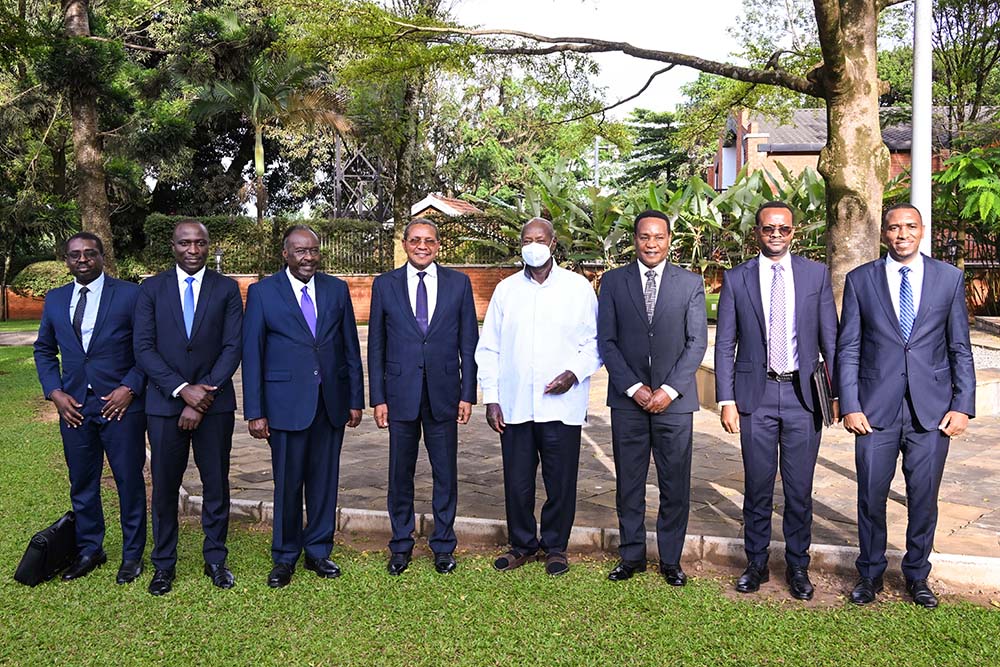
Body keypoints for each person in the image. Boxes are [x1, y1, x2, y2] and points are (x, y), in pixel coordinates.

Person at [837, 203, 975, 608]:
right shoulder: (861, 280)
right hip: (874, 412)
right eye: (894, 227)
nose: (902, 234)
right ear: (884, 233)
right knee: (870, 496)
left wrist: (963, 405)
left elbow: (960, 348)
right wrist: (850, 403)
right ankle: (870, 575)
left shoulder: (948, 279)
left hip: (930, 413)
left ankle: (917, 576)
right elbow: (849, 348)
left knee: (923, 497)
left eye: (909, 226)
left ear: (922, 230)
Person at [714, 201, 839, 600]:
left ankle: (798, 567)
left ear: (793, 232)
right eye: (769, 229)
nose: (776, 235)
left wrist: (837, 395)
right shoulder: (737, 279)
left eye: (783, 229)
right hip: (757, 396)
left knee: (800, 489)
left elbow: (830, 341)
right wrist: (726, 399)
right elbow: (724, 346)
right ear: (758, 232)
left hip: (804, 396)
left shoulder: (815, 275)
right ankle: (756, 563)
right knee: (758, 485)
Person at [475, 217, 602, 576]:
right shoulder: (506, 291)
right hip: (515, 405)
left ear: (553, 243)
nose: (533, 244)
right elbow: (490, 348)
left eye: (540, 239)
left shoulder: (578, 289)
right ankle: (521, 545)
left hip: (561, 405)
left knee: (560, 481)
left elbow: (594, 344)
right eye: (527, 239)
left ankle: (556, 547)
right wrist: (492, 398)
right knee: (517, 481)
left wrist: (573, 374)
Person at [243, 225, 364, 589]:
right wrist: (255, 410)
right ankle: (284, 556)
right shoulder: (263, 293)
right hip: (284, 406)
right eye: (299, 251)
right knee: (288, 483)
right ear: (285, 254)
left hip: (330, 403)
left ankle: (318, 551)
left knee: (325, 482)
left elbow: (349, 350)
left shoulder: (336, 289)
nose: (308, 257)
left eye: (313, 250)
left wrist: (355, 400)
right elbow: (252, 354)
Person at [597, 210, 707, 586]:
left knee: (674, 483)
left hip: (675, 404)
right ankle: (631, 557)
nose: (652, 244)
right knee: (629, 482)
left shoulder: (690, 283)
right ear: (635, 239)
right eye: (645, 237)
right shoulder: (612, 282)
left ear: (669, 240)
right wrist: (634, 388)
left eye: (659, 237)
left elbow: (697, 343)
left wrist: (668, 390)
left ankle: (671, 560)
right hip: (628, 402)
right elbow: (606, 342)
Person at [134, 220, 243, 596]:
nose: (193, 250)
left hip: (215, 406)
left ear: (209, 246)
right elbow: (143, 349)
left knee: (216, 485)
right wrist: (183, 391)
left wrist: (203, 395)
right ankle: (163, 564)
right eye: (185, 243)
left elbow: (233, 347)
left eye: (200, 243)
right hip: (164, 407)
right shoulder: (150, 289)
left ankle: (216, 559)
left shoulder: (227, 288)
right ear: (173, 246)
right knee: (165, 488)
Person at [33, 232, 147, 585]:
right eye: (74, 255)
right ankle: (90, 549)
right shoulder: (55, 300)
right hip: (75, 408)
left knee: (128, 480)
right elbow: (44, 351)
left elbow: (147, 348)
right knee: (82, 482)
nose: (82, 259)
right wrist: (55, 392)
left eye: (89, 253)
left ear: (102, 256)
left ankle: (132, 555)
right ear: (66, 260)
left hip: (120, 408)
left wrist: (129, 388)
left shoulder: (129, 295)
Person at [368, 218, 479, 575]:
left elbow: (468, 343)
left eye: (429, 240)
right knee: (400, 473)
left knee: (445, 472)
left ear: (438, 245)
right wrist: (378, 397)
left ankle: (443, 545)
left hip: (444, 394)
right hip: (400, 395)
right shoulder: (384, 285)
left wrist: (467, 393)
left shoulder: (458, 284)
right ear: (404, 243)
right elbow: (376, 346)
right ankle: (401, 544)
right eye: (415, 240)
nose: (422, 246)